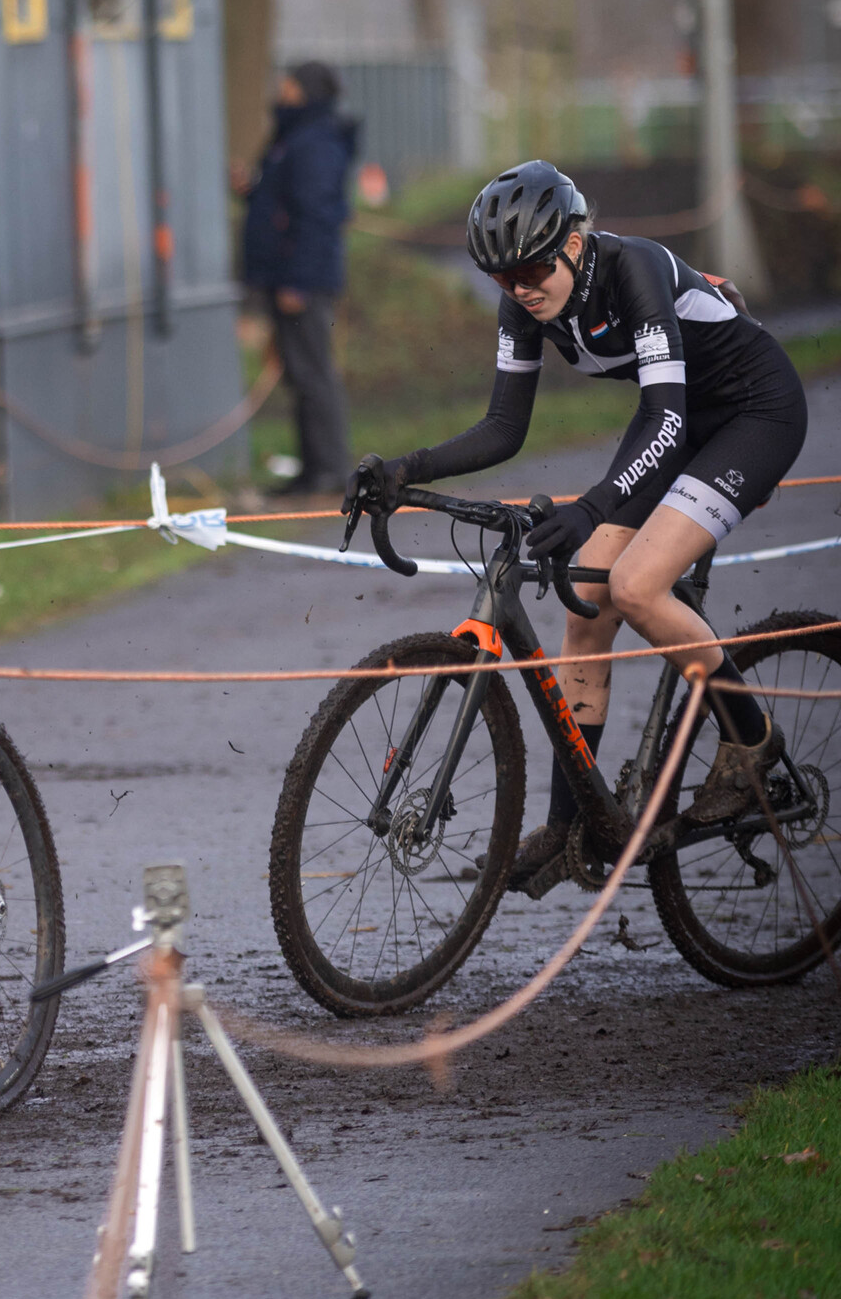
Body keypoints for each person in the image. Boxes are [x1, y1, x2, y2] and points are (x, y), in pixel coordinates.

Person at [346, 159, 808, 897]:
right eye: (501, 278)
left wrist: (591, 507)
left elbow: (663, 417)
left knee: (633, 584)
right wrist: (406, 470)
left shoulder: (635, 270)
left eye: (531, 268)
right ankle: (570, 826)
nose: (521, 289)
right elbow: (503, 428)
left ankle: (749, 744)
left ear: (574, 242)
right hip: (680, 420)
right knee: (583, 603)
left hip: (754, 414)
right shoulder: (524, 306)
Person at [240, 59, 357, 498]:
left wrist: (300, 283)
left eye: (287, 85)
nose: (279, 91)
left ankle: (329, 470)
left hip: (302, 283)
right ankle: (311, 470)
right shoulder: (292, 137)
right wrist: (252, 189)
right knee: (297, 374)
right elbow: (282, 200)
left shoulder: (316, 140)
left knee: (314, 373)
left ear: (304, 91)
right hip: (283, 276)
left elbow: (315, 217)